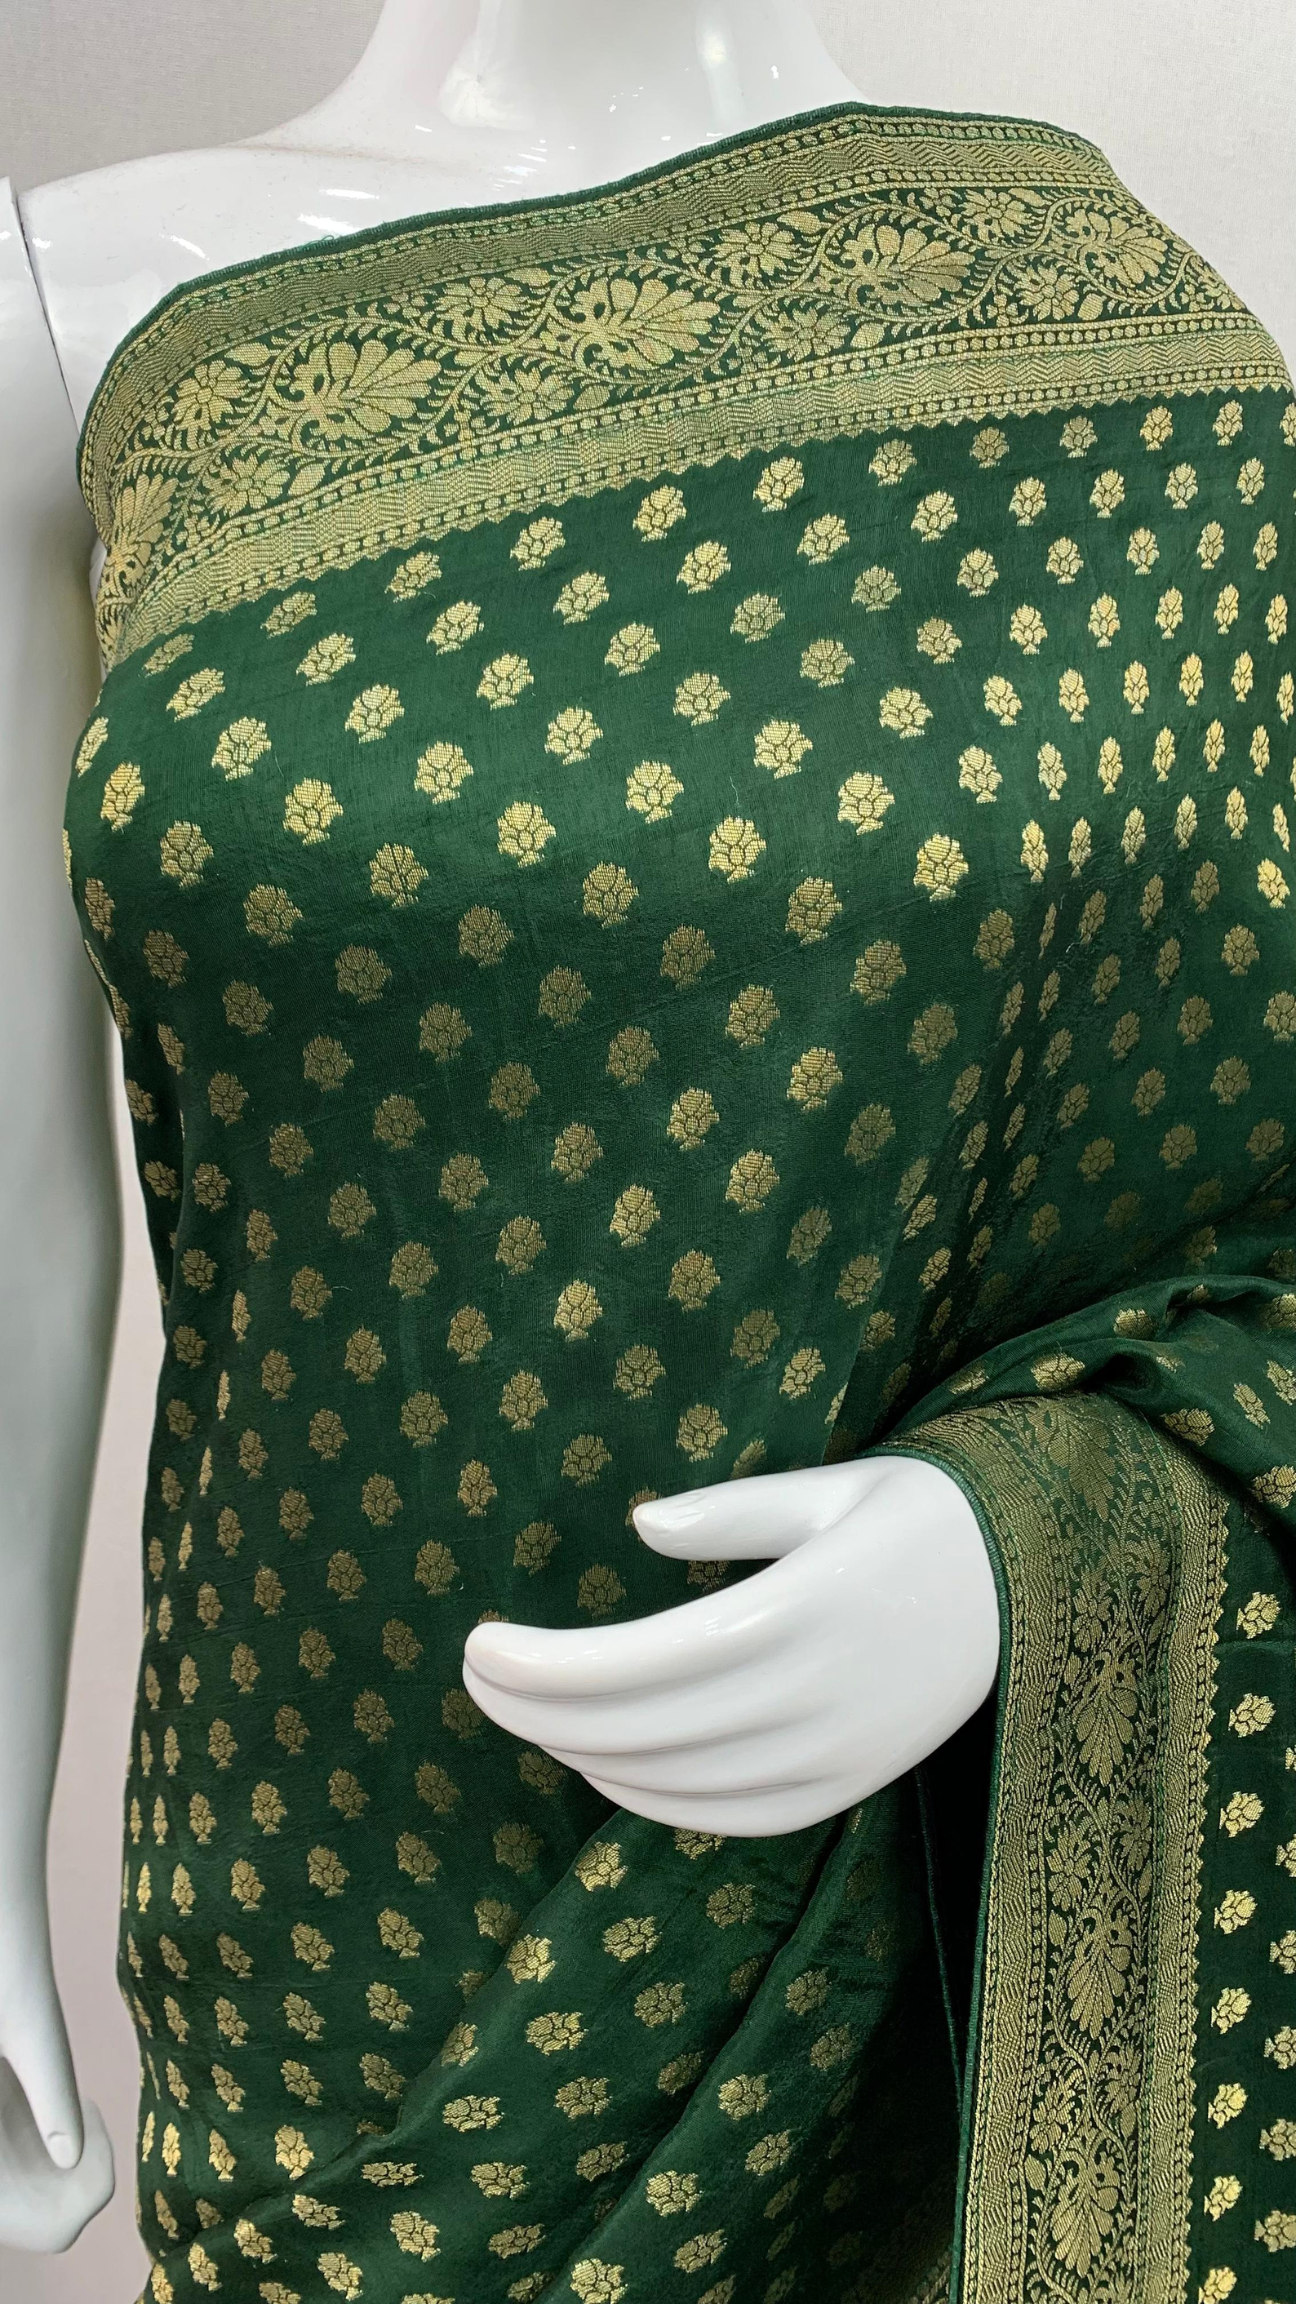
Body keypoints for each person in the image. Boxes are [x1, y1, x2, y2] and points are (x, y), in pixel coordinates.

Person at [3, 3, 1295, 2295]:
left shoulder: (1100, 311)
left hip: (913, 1884)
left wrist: (1039, 1538)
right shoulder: (72, 315)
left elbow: (1237, 1137)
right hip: (338, 1918)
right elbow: (17, 1193)